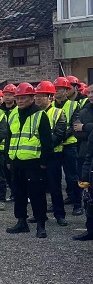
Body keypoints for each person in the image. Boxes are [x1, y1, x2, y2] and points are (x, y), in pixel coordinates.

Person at [5, 82, 53, 238]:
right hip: (16, 161)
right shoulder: (13, 115)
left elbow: (47, 141)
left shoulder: (40, 115)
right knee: (18, 193)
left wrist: (43, 162)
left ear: (32, 98)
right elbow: (8, 138)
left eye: (23, 98)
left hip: (34, 162)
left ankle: (41, 224)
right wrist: (8, 159)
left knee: (37, 195)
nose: (19, 101)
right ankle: (21, 222)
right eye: (18, 98)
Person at [33, 81, 68, 226]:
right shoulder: (33, 114)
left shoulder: (58, 113)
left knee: (55, 187)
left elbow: (59, 134)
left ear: (50, 97)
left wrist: (45, 146)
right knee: (38, 187)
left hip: (53, 155)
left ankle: (59, 215)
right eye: (36, 96)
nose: (38, 98)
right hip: (36, 155)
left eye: (41, 96)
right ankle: (39, 215)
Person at [53, 77, 83, 216]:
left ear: (66, 91)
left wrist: (59, 138)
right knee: (54, 178)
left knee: (72, 176)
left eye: (59, 89)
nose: (56, 91)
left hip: (68, 145)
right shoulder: (51, 106)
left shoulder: (74, 105)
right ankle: (58, 204)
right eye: (55, 89)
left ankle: (77, 204)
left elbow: (74, 126)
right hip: (55, 146)